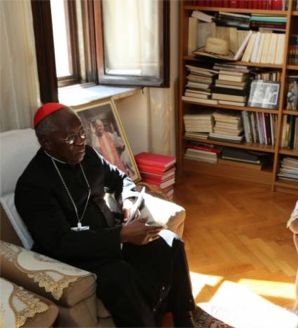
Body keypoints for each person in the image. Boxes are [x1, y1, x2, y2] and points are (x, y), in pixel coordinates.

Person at [15, 103, 196, 327]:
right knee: (120, 277)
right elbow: (59, 243)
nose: (81, 141)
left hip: (113, 233)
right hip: (79, 255)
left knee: (170, 243)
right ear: (47, 142)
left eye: (82, 133)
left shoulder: (88, 155)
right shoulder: (32, 186)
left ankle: (184, 315)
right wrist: (121, 235)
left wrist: (128, 200)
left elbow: (121, 179)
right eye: (71, 138)